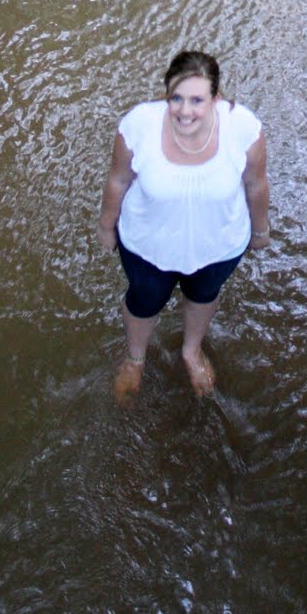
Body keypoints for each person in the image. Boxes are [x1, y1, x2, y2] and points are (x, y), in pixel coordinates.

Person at [97, 49, 270, 401]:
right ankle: (135, 358)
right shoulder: (139, 125)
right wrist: (106, 225)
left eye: (196, 100)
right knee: (143, 301)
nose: (185, 111)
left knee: (203, 296)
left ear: (215, 98)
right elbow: (118, 179)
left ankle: (191, 350)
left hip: (218, 245)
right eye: (176, 98)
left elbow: (256, 184)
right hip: (147, 245)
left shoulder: (243, 129)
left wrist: (261, 230)